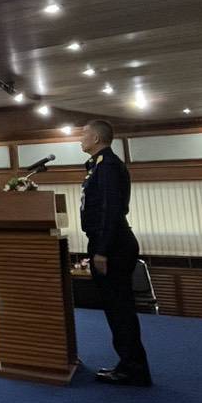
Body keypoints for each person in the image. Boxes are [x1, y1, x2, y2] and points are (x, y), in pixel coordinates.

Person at [81, 119, 152, 386]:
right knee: (116, 309)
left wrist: (102, 250)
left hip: (113, 245)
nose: (80, 139)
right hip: (108, 242)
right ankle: (129, 364)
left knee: (120, 309)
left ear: (96, 139)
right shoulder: (98, 165)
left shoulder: (108, 166)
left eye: (84, 134)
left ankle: (133, 369)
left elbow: (111, 209)